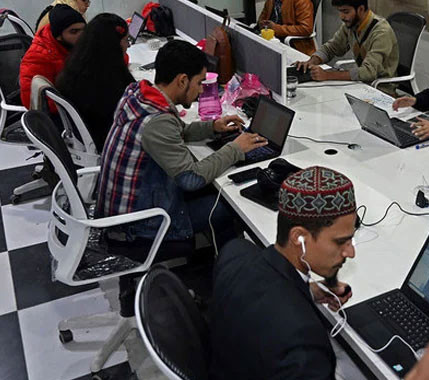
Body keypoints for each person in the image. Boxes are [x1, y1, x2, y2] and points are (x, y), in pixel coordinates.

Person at [210, 165, 429, 380]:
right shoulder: (301, 338)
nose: (350, 252)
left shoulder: (236, 252)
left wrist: (308, 290)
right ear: (299, 237)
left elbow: (261, 295)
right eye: (340, 241)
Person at [96, 40, 269, 249]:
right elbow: (191, 178)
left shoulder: (139, 94)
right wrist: (236, 148)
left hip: (128, 210)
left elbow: (176, 132)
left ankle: (222, 257)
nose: (201, 91)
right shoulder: (158, 122)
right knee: (232, 205)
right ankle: (228, 263)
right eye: (199, 83)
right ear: (182, 80)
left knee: (216, 191)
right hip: (139, 229)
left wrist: (213, 127)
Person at [56, 13, 134, 151]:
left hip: (87, 138)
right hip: (110, 142)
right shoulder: (109, 82)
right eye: (126, 40)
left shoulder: (75, 67)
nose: (128, 45)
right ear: (114, 45)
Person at [295, 0, 398, 84]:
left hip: (381, 88)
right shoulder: (352, 24)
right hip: (361, 84)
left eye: (346, 12)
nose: (341, 17)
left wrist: (328, 75)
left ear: (361, 9)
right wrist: (311, 62)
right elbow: (331, 48)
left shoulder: (381, 32)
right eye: (339, 11)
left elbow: (368, 72)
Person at [19, 4, 85, 110]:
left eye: (84, 30)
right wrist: (77, 103)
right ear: (59, 36)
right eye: (74, 32)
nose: (82, 36)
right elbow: (31, 99)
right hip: (60, 114)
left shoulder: (74, 46)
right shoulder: (37, 56)